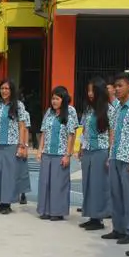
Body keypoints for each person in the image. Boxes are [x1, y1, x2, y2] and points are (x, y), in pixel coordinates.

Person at [104, 72, 129, 245]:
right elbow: (112, 133)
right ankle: (117, 228)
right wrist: (110, 154)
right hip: (115, 156)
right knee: (116, 194)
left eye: (120, 85)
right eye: (116, 86)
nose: (117, 89)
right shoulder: (117, 109)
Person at [0, 79, 29, 215]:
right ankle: (0, 202)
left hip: (11, 144)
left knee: (8, 175)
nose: (4, 91)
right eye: (2, 88)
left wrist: (21, 145)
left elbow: (22, 126)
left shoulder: (18, 105)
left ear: (12, 91)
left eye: (7, 89)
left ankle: (7, 203)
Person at [37, 86, 78, 221]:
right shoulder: (49, 112)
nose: (54, 101)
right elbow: (43, 132)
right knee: (46, 182)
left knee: (59, 183)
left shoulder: (70, 111)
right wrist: (39, 150)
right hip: (47, 152)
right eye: (53, 98)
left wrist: (68, 154)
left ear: (63, 100)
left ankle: (57, 212)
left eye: (57, 99)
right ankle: (46, 210)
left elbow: (71, 135)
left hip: (61, 153)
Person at [78, 77, 112, 230]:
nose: (90, 94)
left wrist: (110, 154)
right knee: (88, 184)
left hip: (101, 151)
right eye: (88, 90)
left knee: (98, 185)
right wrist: (80, 147)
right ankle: (91, 215)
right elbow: (83, 129)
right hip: (88, 150)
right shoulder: (88, 109)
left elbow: (112, 133)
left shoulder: (109, 109)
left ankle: (98, 218)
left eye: (93, 90)